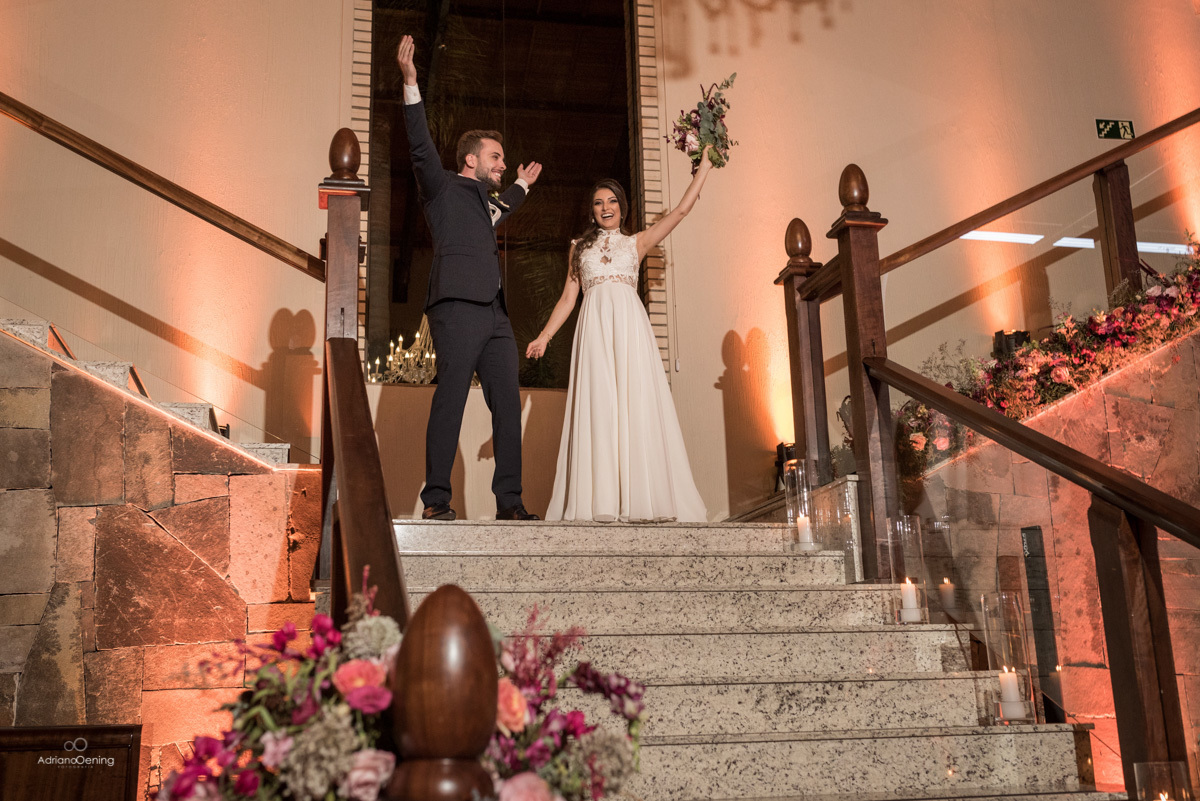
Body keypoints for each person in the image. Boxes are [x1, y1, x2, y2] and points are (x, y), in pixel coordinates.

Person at [397, 35, 543, 521]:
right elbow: (419, 148)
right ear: (471, 159)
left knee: (507, 407)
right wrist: (412, 85)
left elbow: (507, 205)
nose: (502, 163)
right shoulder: (442, 189)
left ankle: (511, 504)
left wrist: (521, 183)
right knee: (451, 402)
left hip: (496, 316)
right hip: (456, 309)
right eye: (496, 158)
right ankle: (436, 500)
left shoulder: (487, 204)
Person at [526, 151, 715, 522]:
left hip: (629, 330)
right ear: (592, 211)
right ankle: (601, 502)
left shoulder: (637, 243)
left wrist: (704, 167)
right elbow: (568, 298)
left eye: (611, 200)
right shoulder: (579, 249)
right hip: (594, 331)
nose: (605, 207)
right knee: (600, 406)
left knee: (634, 402)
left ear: (622, 208)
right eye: (598, 202)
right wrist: (545, 336)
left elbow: (679, 213)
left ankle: (641, 498)